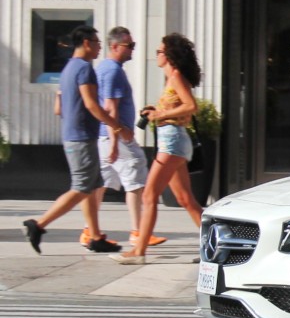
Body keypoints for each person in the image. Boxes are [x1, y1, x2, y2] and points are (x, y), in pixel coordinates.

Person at [22, 25, 134, 255]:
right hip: (82, 137)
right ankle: (38, 225)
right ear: (86, 43)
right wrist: (116, 125)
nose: (99, 46)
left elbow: (58, 108)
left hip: (74, 136)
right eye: (96, 42)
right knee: (82, 187)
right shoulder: (84, 69)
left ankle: (95, 237)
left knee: (93, 185)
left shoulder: (68, 68)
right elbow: (92, 104)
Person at [112, 33, 204, 264]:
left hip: (172, 142)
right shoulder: (171, 79)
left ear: (170, 55)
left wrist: (160, 114)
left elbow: (191, 106)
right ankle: (216, 249)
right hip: (172, 140)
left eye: (159, 52)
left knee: (150, 195)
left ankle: (139, 251)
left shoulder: (175, 77)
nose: (157, 56)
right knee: (186, 200)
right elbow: (180, 106)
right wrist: (156, 110)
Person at [90, 26, 165, 248]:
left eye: (133, 45)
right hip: (118, 135)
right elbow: (110, 108)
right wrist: (117, 139)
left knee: (101, 183)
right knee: (135, 178)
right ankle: (138, 231)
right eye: (129, 45)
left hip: (106, 135)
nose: (133, 49)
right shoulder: (113, 71)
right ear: (114, 47)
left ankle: (89, 230)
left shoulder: (104, 68)